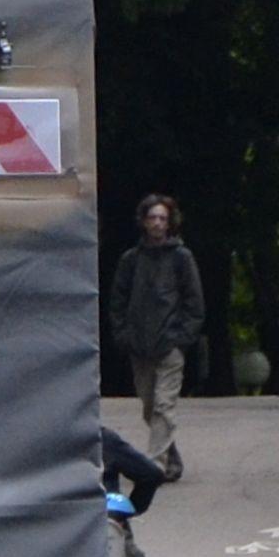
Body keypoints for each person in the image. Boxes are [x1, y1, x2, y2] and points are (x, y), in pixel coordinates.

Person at [107, 195, 203, 482]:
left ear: (170, 222)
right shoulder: (131, 260)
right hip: (139, 346)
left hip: (170, 346)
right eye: (153, 218)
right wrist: (123, 335)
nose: (158, 223)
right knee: (150, 408)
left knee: (164, 406)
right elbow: (117, 302)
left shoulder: (181, 258)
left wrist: (181, 339)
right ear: (144, 221)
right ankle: (171, 459)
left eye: (163, 218)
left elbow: (194, 303)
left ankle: (154, 466)